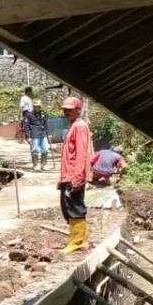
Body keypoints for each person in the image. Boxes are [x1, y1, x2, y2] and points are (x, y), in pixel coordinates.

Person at [58, 97, 94, 253]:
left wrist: (77, 178)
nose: (67, 112)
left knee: (75, 208)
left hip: (74, 176)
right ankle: (80, 240)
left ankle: (78, 242)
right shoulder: (73, 126)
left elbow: (81, 154)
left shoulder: (79, 126)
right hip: (69, 175)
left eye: (70, 110)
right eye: (65, 110)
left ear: (78, 110)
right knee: (69, 207)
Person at [28, 100, 50, 170]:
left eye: (38, 107)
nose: (36, 108)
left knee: (45, 149)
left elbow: (46, 124)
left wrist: (48, 134)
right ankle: (35, 165)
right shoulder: (29, 115)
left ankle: (44, 165)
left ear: (40, 107)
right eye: (35, 106)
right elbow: (26, 126)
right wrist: (28, 136)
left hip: (43, 133)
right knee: (34, 149)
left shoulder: (44, 114)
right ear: (33, 107)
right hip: (34, 134)